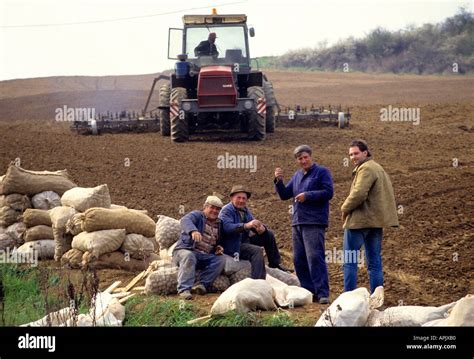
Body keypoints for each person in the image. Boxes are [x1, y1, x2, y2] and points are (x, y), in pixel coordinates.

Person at [274, 145, 334, 304]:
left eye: (305, 157)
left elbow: (329, 192)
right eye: (300, 158)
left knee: (314, 257)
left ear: (310, 156)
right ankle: (309, 291)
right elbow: (285, 195)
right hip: (297, 222)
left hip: (314, 221)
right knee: (299, 259)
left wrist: (308, 195)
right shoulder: (297, 175)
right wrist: (279, 181)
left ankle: (322, 293)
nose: (303, 160)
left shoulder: (322, 172)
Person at [341, 139, 398, 293]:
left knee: (350, 261)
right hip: (375, 222)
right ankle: (376, 298)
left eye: (356, 153)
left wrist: (344, 208)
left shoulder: (365, 169)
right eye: (351, 154)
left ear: (365, 153)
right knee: (374, 262)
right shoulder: (378, 168)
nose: (353, 157)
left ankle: (348, 299)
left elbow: (359, 194)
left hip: (359, 222)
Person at [218, 185, 292, 280]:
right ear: (232, 198)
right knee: (256, 250)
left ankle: (275, 264)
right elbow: (228, 228)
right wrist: (246, 225)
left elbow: (253, 222)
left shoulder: (244, 210)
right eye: (238, 198)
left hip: (244, 241)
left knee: (268, 234)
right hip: (233, 245)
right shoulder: (226, 211)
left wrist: (261, 228)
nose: (241, 200)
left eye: (244, 198)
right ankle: (258, 280)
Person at [172, 195, 226, 300]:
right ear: (205, 207)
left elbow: (217, 241)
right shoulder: (197, 215)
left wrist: (218, 247)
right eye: (212, 207)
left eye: (217, 209)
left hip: (204, 256)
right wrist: (193, 230)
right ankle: (184, 289)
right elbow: (185, 220)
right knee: (189, 256)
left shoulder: (219, 224)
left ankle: (201, 285)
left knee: (221, 259)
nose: (214, 211)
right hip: (184, 251)